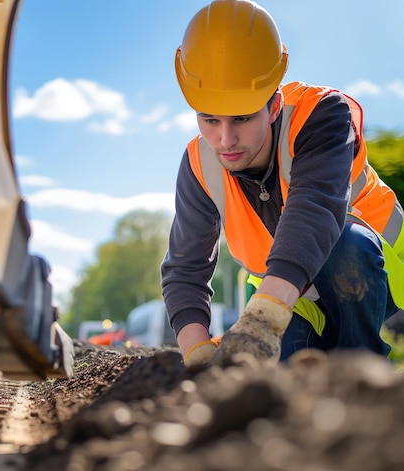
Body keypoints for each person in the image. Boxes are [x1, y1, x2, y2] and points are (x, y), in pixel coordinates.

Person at [161, 0, 404, 368]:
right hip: (299, 299)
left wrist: (263, 318)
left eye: (241, 117)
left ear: (273, 106)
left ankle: (365, 375)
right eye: (209, 119)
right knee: (284, 386)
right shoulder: (198, 163)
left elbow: (315, 211)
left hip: (381, 284)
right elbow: (185, 268)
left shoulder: (322, 115)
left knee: (347, 247)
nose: (225, 140)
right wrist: (197, 356)